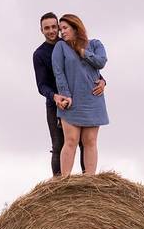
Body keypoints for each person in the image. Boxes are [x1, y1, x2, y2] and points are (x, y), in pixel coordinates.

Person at [33, 12, 105, 176]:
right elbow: (42, 85)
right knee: (59, 145)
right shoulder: (40, 54)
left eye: (54, 27)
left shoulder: (68, 42)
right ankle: (60, 186)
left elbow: (86, 70)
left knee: (84, 143)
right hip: (56, 102)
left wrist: (102, 81)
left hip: (78, 99)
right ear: (41, 30)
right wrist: (56, 96)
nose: (52, 31)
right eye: (47, 28)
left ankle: (86, 181)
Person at [52, 13, 108, 175]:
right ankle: (64, 181)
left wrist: (82, 51)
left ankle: (89, 181)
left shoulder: (96, 44)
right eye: (61, 28)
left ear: (76, 28)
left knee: (90, 141)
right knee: (70, 141)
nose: (62, 32)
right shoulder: (60, 47)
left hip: (93, 99)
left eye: (65, 28)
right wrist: (65, 95)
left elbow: (101, 62)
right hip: (70, 101)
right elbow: (59, 73)